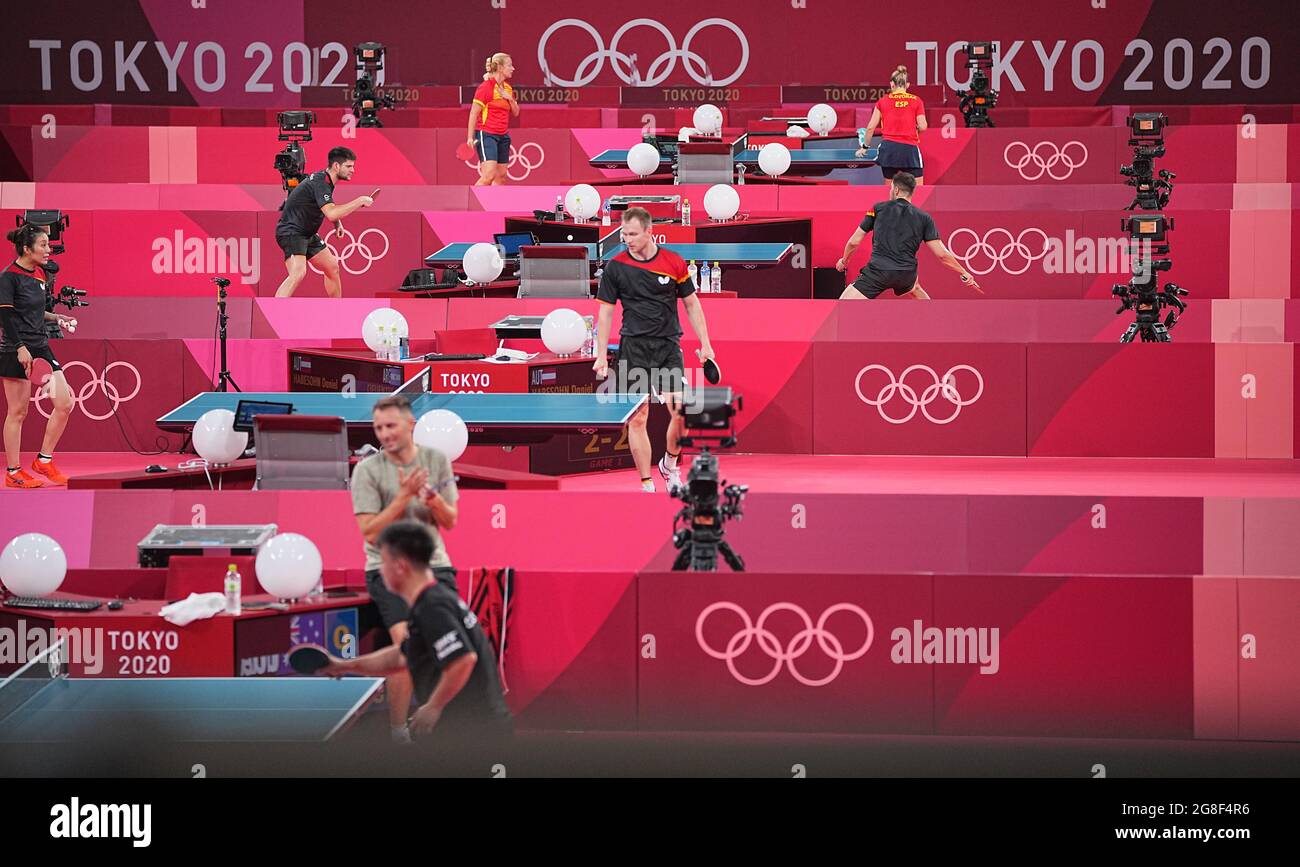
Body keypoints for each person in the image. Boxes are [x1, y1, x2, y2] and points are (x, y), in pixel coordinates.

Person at [322, 521, 512, 744]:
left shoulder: (433, 606)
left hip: (475, 732)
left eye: (383, 563)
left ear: (400, 567)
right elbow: (401, 655)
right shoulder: (428, 601)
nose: (380, 571)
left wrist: (433, 706)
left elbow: (463, 659)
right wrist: (345, 665)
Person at [351, 395, 459, 743]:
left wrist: (433, 500)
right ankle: (399, 734)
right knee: (409, 645)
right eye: (378, 428)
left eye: (391, 426)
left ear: (410, 425)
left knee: (448, 645)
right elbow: (369, 532)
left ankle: (442, 724)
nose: (384, 434)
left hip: (434, 567)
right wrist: (402, 496)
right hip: (390, 570)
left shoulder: (436, 461)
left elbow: (450, 520)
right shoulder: (366, 471)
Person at [593, 206, 716, 494]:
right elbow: (605, 314)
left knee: (681, 411)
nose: (628, 239)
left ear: (649, 231)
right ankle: (646, 482)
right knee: (639, 418)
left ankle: (669, 465)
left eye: (633, 234)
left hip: (667, 348)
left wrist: (706, 343)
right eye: (624, 234)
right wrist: (601, 354)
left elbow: (692, 304)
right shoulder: (616, 266)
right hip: (633, 348)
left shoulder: (673, 262)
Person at [1, 225, 77, 488]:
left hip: (41, 345)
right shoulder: (8, 277)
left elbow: (34, 310)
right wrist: (20, 346)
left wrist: (56, 316)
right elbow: (7, 315)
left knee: (65, 404)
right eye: (43, 245)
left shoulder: (40, 274)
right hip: (15, 347)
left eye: (48, 244)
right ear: (26, 248)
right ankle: (13, 473)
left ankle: (43, 460)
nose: (48, 249)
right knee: (18, 412)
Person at [836, 172, 981, 301]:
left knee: (844, 304)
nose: (891, 190)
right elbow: (942, 254)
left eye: (891, 188)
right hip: (906, 275)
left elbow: (854, 242)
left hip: (878, 271)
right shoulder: (924, 217)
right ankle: (937, 320)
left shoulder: (878, 209)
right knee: (915, 288)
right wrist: (963, 272)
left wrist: (844, 261)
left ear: (897, 190)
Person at [274, 146, 374, 298]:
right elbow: (331, 213)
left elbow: (327, 207)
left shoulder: (326, 180)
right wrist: (360, 200)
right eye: (349, 166)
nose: (352, 170)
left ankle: (336, 309)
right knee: (298, 273)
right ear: (336, 166)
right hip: (291, 231)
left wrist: (337, 223)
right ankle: (275, 313)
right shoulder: (321, 183)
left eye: (353, 166)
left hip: (307, 233)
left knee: (332, 267)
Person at [857, 65, 928, 193]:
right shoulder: (917, 101)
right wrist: (914, 129)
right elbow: (923, 126)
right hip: (909, 149)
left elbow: (870, 128)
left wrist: (864, 147)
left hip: (888, 149)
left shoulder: (882, 101)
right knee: (918, 191)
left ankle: (890, 211)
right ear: (907, 85)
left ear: (892, 84)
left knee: (889, 189)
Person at [466, 53, 519, 186]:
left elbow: (516, 112)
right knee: (489, 175)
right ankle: (472, 202)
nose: (513, 68)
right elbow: (473, 113)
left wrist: (510, 98)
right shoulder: (485, 88)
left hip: (503, 136)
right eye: (509, 65)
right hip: (487, 134)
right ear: (500, 68)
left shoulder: (507, 87)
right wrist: (470, 137)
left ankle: (495, 206)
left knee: (501, 177)